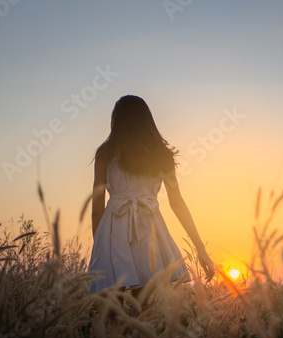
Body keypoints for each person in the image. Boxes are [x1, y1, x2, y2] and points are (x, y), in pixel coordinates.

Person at [87, 95, 215, 297]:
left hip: (113, 230)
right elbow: (177, 203)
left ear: (116, 121)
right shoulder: (162, 155)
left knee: (111, 315)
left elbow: (96, 207)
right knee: (145, 313)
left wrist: (100, 248)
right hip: (151, 230)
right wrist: (201, 249)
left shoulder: (105, 153)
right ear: (148, 121)